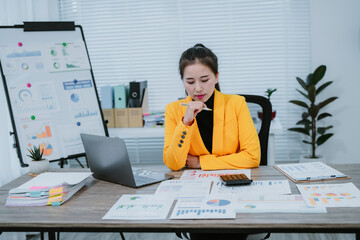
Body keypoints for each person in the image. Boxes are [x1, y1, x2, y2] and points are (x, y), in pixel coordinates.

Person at [163, 43, 261, 171]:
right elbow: (173, 164)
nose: (198, 88)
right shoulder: (173, 110)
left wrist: (201, 162)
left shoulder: (237, 104)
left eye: (204, 80)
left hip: (231, 182)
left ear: (216, 77)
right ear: (183, 81)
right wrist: (186, 123)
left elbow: (253, 157)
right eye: (190, 82)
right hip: (194, 185)